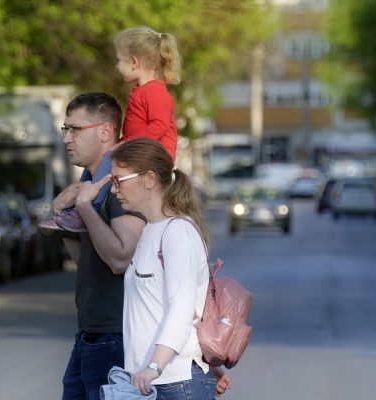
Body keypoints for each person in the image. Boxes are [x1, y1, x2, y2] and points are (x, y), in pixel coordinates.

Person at [98, 137, 232, 399]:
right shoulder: (150, 230)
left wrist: (154, 367)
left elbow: (181, 308)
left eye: (118, 179)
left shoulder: (178, 232)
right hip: (150, 381)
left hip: (174, 382)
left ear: (149, 179)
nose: (113, 189)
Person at [51, 92, 146, 400]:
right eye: (65, 129)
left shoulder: (119, 182)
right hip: (91, 333)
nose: (67, 138)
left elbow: (120, 258)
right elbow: (89, 260)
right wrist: (62, 216)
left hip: (117, 334)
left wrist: (84, 209)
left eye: (75, 129)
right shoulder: (90, 179)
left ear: (105, 131)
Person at [53, 25, 182, 233]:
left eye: (119, 60)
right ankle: (76, 207)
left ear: (134, 62)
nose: (117, 66)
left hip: (152, 155)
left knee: (107, 164)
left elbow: (159, 126)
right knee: (93, 168)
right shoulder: (142, 91)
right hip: (138, 149)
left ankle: (88, 211)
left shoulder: (156, 92)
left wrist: (126, 144)